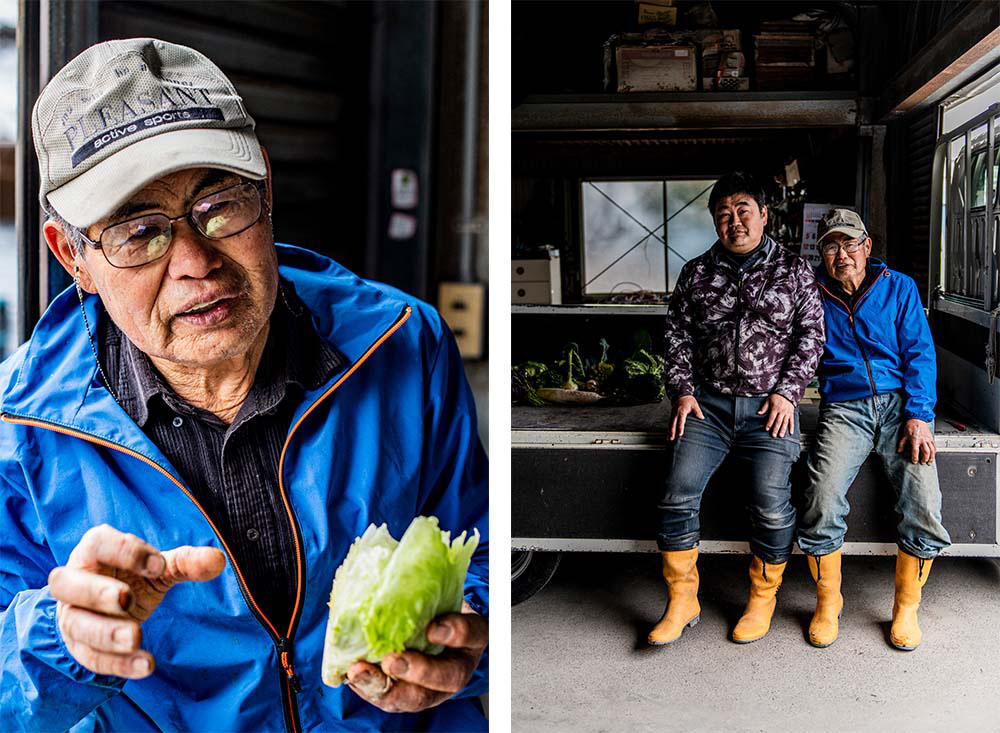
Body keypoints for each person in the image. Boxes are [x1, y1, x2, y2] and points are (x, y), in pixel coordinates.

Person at [0, 39, 488, 731]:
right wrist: (59, 640)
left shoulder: (405, 343)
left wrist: (471, 633)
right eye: (139, 233)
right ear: (71, 255)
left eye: (220, 205)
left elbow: (486, 546)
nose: (197, 262)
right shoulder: (17, 430)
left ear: (265, 189)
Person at [650, 171, 825, 646]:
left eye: (744, 210)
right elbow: (675, 336)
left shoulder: (793, 271)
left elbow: (812, 337)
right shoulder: (696, 272)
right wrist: (682, 391)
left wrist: (789, 391)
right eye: (724, 214)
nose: (735, 221)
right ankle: (683, 600)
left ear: (764, 215)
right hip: (706, 408)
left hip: (771, 410)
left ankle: (762, 597)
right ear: (714, 221)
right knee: (676, 494)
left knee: (770, 505)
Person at [797, 208, 950, 651]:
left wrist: (920, 415)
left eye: (849, 244)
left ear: (867, 247)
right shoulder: (812, 292)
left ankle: (905, 608)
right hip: (845, 408)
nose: (840, 254)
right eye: (830, 245)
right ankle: (828, 603)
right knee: (821, 495)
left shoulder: (899, 287)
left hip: (902, 406)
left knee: (923, 500)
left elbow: (921, 353)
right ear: (821, 253)